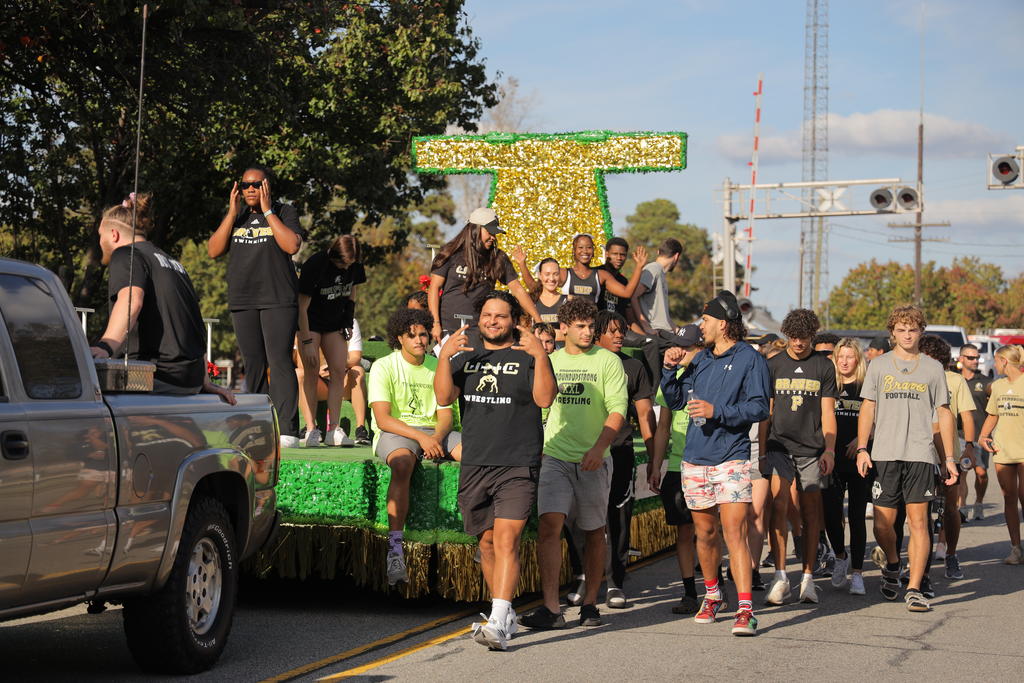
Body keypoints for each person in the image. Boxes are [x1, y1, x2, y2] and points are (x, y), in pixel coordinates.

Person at [435, 291, 556, 651]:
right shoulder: (467, 353)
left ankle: (500, 621)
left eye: (501, 316)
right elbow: (443, 398)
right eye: (487, 315)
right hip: (475, 462)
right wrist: (444, 357)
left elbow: (545, 399)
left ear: (514, 320)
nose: (492, 321)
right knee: (486, 542)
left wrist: (541, 357)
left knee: (506, 539)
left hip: (518, 461)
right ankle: (503, 613)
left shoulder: (528, 353)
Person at [661, 290, 770, 637]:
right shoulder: (701, 359)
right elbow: (677, 401)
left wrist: (717, 411)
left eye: (705, 320)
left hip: (732, 457)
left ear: (723, 324)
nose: (700, 326)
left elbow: (759, 408)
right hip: (695, 459)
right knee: (705, 534)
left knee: (734, 533)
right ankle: (712, 595)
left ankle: (745, 609)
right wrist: (668, 370)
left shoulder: (750, 359)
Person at [518, 298, 627, 630]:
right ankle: (552, 608)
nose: (588, 331)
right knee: (549, 527)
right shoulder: (547, 360)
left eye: (591, 325)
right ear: (562, 328)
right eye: (580, 325)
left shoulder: (608, 361)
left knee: (594, 532)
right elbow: (536, 407)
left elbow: (617, 410)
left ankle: (591, 603)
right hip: (555, 456)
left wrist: (599, 448)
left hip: (594, 460)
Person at [856, 305, 957, 613]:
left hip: (920, 454)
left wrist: (949, 457)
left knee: (919, 523)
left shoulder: (932, 368)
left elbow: (943, 412)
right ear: (892, 334)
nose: (907, 335)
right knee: (883, 525)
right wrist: (862, 448)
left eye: (912, 329)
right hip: (885, 453)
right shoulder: (879, 365)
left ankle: (913, 587)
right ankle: (893, 562)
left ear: (920, 332)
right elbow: (869, 408)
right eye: (901, 329)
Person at [91, 193, 234, 405]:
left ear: (113, 235)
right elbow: (193, 320)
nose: (100, 242)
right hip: (188, 380)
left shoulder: (125, 254)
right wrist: (204, 380)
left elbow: (132, 300)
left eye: (100, 235)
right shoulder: (173, 264)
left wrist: (106, 346)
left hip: (153, 378)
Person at [208, 165, 304, 447]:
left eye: (256, 184)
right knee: (253, 365)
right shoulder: (235, 217)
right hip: (244, 300)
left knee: (280, 361)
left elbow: (291, 246)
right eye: (245, 184)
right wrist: (230, 212)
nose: (250, 188)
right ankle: (261, 425)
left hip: (277, 298)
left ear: (267, 186)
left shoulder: (285, 211)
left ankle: (287, 430)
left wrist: (268, 211)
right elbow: (213, 250)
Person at [368, 307, 462, 585]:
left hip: (436, 431)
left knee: (476, 458)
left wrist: (433, 438)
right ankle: (395, 549)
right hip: (399, 430)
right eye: (412, 336)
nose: (420, 340)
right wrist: (421, 439)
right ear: (400, 338)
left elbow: (446, 416)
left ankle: (481, 539)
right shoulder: (384, 366)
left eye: (423, 334)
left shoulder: (438, 365)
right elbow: (384, 419)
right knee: (402, 463)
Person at [761, 309, 837, 606]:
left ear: (812, 336)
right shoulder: (773, 365)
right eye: (793, 337)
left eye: (803, 337)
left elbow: (828, 412)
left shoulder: (823, 366)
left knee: (810, 515)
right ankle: (780, 576)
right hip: (779, 447)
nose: (798, 342)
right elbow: (766, 411)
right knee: (778, 506)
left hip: (812, 450)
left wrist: (829, 449)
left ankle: (807, 578)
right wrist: (763, 450)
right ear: (786, 335)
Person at [594, 310, 657, 608]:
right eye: (612, 331)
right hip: (583, 451)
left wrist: (655, 456)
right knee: (584, 517)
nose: (619, 335)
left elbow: (645, 414)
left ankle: (615, 582)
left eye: (621, 330)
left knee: (618, 516)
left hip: (620, 451)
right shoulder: (583, 363)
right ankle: (584, 577)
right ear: (597, 335)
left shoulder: (633, 367)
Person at [649, 324, 703, 613]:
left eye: (688, 347)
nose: (680, 352)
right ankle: (689, 592)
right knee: (684, 532)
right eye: (677, 346)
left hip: (706, 462)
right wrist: (656, 465)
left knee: (708, 530)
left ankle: (715, 584)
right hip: (678, 467)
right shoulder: (671, 378)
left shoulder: (710, 376)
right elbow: (663, 428)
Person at [428, 208, 539, 341]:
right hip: (448, 327)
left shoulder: (498, 257)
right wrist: (435, 323)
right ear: (475, 229)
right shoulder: (450, 253)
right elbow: (434, 288)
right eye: (490, 232)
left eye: (495, 233)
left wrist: (538, 320)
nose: (493, 237)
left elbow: (518, 289)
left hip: (480, 329)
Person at [297, 235, 365, 447]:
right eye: (342, 263)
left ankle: (333, 429)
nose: (346, 268)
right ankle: (310, 430)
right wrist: (306, 342)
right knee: (310, 369)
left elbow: (352, 291)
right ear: (334, 255)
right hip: (311, 321)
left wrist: (347, 319)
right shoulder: (316, 264)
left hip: (334, 322)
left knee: (338, 370)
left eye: (350, 264)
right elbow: (301, 308)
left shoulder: (354, 266)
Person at [919, 335, 976, 580]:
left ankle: (951, 554)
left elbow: (967, 416)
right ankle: (920, 561)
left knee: (950, 508)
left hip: (949, 453)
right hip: (920, 452)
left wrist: (969, 447)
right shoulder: (914, 378)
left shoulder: (955, 380)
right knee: (918, 509)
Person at [821, 338, 871, 595]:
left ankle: (858, 574)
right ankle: (840, 555)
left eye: (849, 357)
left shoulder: (866, 386)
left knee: (857, 517)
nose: (844, 361)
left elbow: (878, 419)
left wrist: (862, 439)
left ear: (858, 360)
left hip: (859, 461)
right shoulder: (830, 385)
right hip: (832, 460)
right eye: (840, 356)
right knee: (830, 515)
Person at [978, 344, 1024, 564]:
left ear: (1004, 361)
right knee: (1009, 498)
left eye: (996, 360)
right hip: (1003, 449)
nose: (994, 364)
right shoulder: (997, 386)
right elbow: (992, 415)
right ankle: (1016, 548)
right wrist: (982, 436)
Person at [295, 319, 372, 446]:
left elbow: (355, 358)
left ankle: (360, 429)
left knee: (358, 371)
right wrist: (318, 370)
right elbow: (301, 362)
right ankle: (311, 430)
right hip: (318, 380)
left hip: (342, 378)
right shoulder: (306, 321)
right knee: (300, 374)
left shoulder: (349, 321)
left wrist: (336, 365)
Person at [959, 343, 993, 520]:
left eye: (977, 357)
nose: (975, 361)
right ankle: (962, 508)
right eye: (971, 357)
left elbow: (993, 411)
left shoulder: (986, 382)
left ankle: (978, 503)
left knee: (981, 473)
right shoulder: (956, 379)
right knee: (962, 472)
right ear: (961, 358)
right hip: (959, 435)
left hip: (980, 435)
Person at [631, 238, 682, 334]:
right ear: (676, 256)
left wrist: (679, 331)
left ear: (658, 252)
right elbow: (633, 296)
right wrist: (645, 325)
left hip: (665, 332)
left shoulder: (660, 272)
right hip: (657, 333)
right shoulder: (653, 269)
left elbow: (662, 318)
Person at [528, 257, 569, 336]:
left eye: (555, 274)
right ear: (540, 275)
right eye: (547, 274)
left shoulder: (568, 300)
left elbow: (575, 334)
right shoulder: (532, 301)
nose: (551, 278)